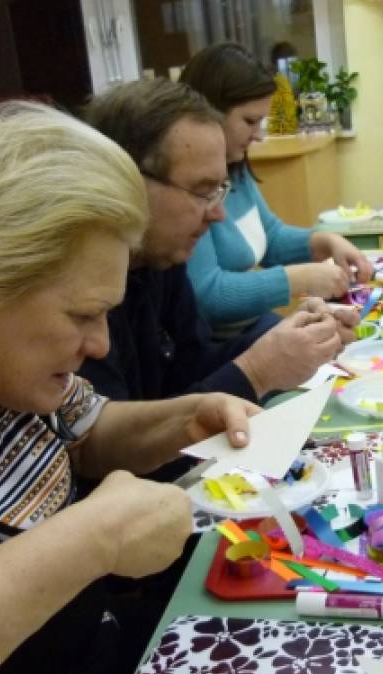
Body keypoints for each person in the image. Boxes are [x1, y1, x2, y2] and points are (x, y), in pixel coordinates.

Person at [0, 102, 258, 674]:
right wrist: (92, 539)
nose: (101, 345)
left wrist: (186, 419)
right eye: (83, 315)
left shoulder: (2, 358)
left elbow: (90, 433)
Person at [79, 79, 356, 469]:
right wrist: (257, 371)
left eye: (219, 190)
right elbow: (115, 459)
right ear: (125, 182)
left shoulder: (163, 261)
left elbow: (191, 369)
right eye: (201, 191)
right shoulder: (80, 296)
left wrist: (285, 344)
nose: (218, 213)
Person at [178, 42, 373, 336]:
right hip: (214, 346)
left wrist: (325, 241)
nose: (258, 135)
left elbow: (269, 237)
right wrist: (298, 279)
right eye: (249, 121)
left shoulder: (235, 169)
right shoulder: (185, 190)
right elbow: (208, 294)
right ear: (209, 113)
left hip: (252, 327)